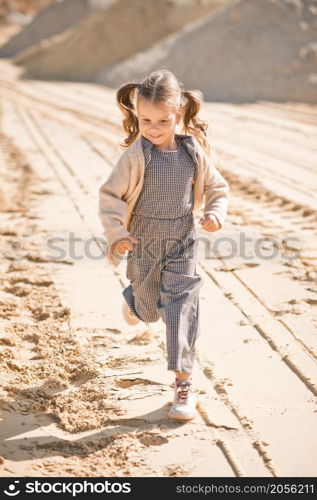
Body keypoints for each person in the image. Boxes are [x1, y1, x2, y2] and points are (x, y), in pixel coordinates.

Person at [98, 69, 230, 421]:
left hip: (183, 240)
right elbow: (109, 196)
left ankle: (183, 383)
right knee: (150, 311)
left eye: (163, 120)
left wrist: (216, 213)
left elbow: (218, 188)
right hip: (142, 241)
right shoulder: (135, 156)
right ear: (136, 116)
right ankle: (134, 300)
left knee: (181, 306)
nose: (154, 128)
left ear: (179, 115)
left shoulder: (193, 152)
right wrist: (118, 235)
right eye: (146, 120)